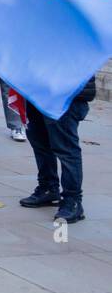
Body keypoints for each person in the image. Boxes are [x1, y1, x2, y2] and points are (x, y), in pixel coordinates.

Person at [19, 77, 95, 223]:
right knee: (39, 142)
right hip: (38, 89)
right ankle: (48, 188)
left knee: (66, 148)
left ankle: (73, 201)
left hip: (66, 92)